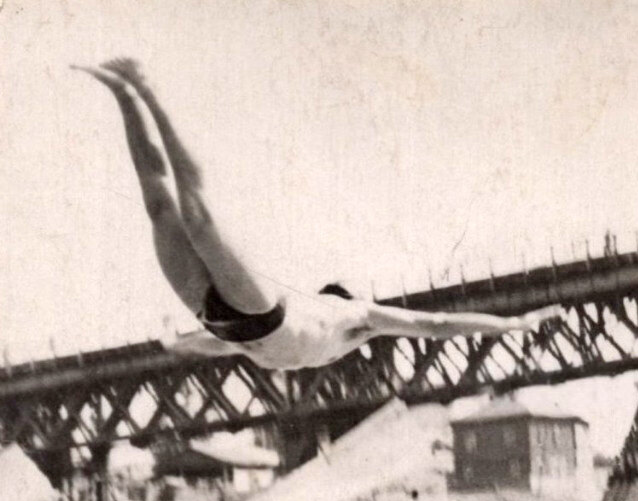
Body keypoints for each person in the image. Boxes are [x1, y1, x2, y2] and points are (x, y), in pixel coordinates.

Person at [73, 59, 561, 371]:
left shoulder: (341, 328)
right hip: (260, 314)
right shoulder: (357, 314)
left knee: (160, 209)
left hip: (218, 321)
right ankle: (145, 89)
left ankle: (124, 96)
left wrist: (174, 343)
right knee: (198, 221)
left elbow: (212, 346)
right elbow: (434, 324)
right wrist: (511, 324)